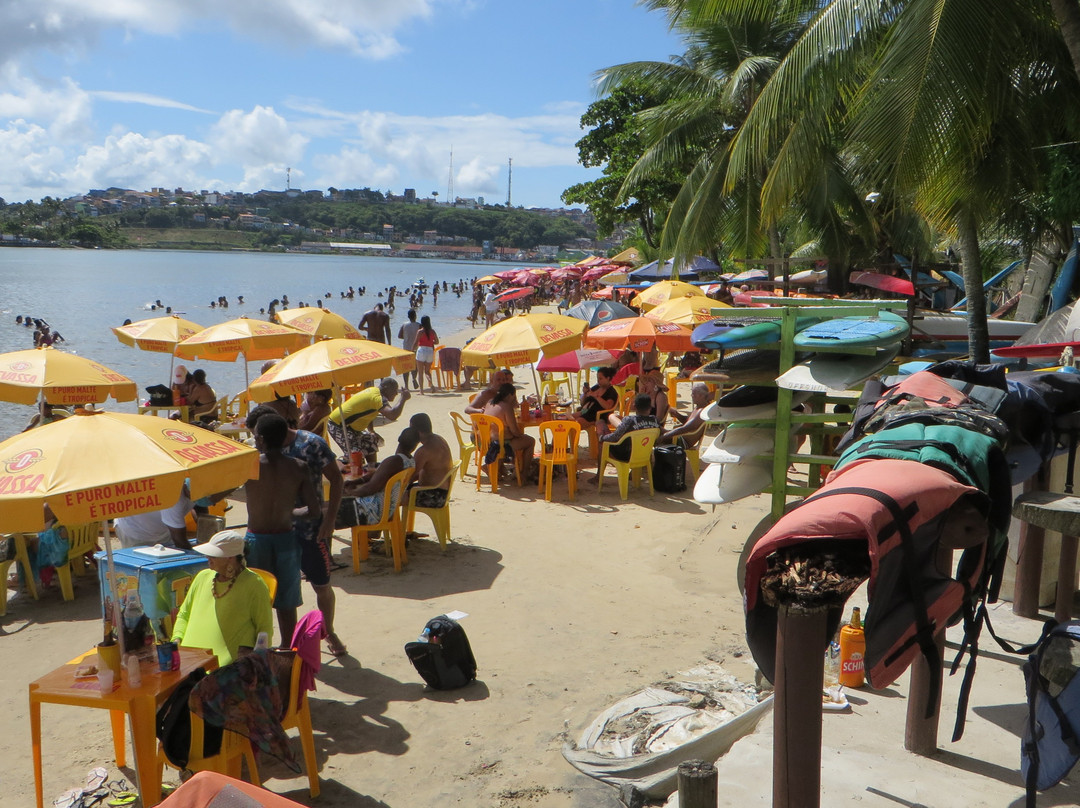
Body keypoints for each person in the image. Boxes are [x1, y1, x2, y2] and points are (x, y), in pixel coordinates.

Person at [246, 404, 347, 657]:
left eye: (256, 435)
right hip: (278, 533)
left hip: (311, 530)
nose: (254, 440)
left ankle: (329, 632)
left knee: (321, 585)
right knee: (280, 594)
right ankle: (284, 647)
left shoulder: (311, 444)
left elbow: (336, 478)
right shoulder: (257, 457)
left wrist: (330, 519)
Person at [244, 414, 322, 649]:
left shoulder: (250, 466)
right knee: (287, 601)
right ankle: (287, 648)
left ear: (260, 439)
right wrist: (289, 513)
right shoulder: (298, 467)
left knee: (257, 600)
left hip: (257, 539)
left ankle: (259, 648)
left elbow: (217, 492)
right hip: (287, 538)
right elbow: (314, 510)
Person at [171, 530, 274, 666]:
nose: (208, 557)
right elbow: (184, 614)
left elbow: (264, 628)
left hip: (225, 671)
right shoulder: (202, 577)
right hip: (185, 662)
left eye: (214, 555)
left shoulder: (254, 585)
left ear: (230, 558)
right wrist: (176, 640)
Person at [341, 428, 420, 524]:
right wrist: (357, 481)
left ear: (399, 439)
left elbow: (370, 488)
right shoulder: (411, 462)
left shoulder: (393, 461)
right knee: (328, 506)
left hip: (371, 510)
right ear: (415, 445)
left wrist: (350, 492)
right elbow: (378, 474)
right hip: (386, 509)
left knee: (326, 511)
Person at [326, 378, 411, 464]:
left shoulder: (374, 391)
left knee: (370, 440)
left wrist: (371, 431)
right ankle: (353, 470)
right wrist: (403, 398)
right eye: (394, 390)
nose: (396, 393)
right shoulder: (377, 398)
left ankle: (372, 467)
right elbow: (393, 415)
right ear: (385, 388)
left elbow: (369, 412)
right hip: (338, 424)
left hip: (351, 426)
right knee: (356, 454)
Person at [482, 382, 535, 482]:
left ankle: (492, 467)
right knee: (530, 441)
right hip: (501, 444)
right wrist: (520, 435)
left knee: (516, 438)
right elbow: (514, 431)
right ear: (510, 395)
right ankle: (523, 474)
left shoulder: (490, 402)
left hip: (487, 441)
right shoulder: (506, 407)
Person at [114, 485, 194, 550]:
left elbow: (200, 510)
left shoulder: (198, 491)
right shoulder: (173, 498)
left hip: (162, 530)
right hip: (135, 530)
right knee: (141, 566)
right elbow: (180, 541)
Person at [409, 413, 454, 509]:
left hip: (433, 496)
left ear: (415, 430)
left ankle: (396, 524)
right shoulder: (440, 439)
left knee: (393, 496)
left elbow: (410, 476)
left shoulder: (423, 451)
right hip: (443, 492)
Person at [602, 393, 661, 462]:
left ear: (634, 406)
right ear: (650, 407)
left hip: (627, 455)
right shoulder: (654, 420)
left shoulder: (630, 420)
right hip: (645, 454)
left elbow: (615, 436)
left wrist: (602, 437)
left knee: (602, 443)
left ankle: (600, 471)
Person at [573, 366, 618, 435]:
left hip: (597, 416)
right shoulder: (596, 387)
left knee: (577, 423)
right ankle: (558, 443)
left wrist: (597, 396)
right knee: (567, 420)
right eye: (597, 378)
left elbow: (608, 406)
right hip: (585, 411)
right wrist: (585, 394)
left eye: (600, 379)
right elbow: (582, 403)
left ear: (608, 378)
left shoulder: (611, 392)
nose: (598, 381)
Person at [397, 309, 421, 390]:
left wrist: (407, 337)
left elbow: (399, 336)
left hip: (406, 348)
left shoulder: (404, 325)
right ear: (415, 316)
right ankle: (414, 379)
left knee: (405, 368)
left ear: (408, 316)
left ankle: (406, 385)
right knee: (415, 367)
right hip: (416, 348)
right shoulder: (419, 325)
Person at [415, 315, 438, 394]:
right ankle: (431, 384)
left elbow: (415, 342)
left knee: (420, 372)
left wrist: (411, 350)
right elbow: (437, 341)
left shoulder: (420, 331)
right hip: (430, 351)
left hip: (421, 350)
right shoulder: (432, 331)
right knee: (427, 371)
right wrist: (431, 342)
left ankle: (421, 390)